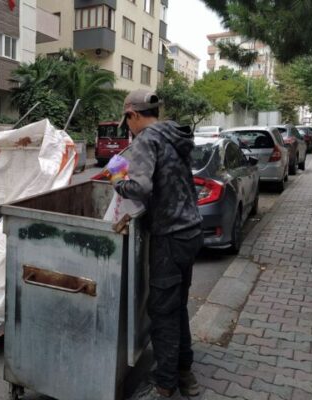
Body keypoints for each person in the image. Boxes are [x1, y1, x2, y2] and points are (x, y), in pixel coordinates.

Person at [107, 90, 203, 399]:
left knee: (162, 311)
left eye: (127, 121)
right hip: (191, 230)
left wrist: (116, 180)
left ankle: (164, 386)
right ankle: (186, 374)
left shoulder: (147, 139)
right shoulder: (174, 133)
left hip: (171, 235)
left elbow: (141, 187)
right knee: (177, 306)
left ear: (134, 115)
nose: (127, 127)